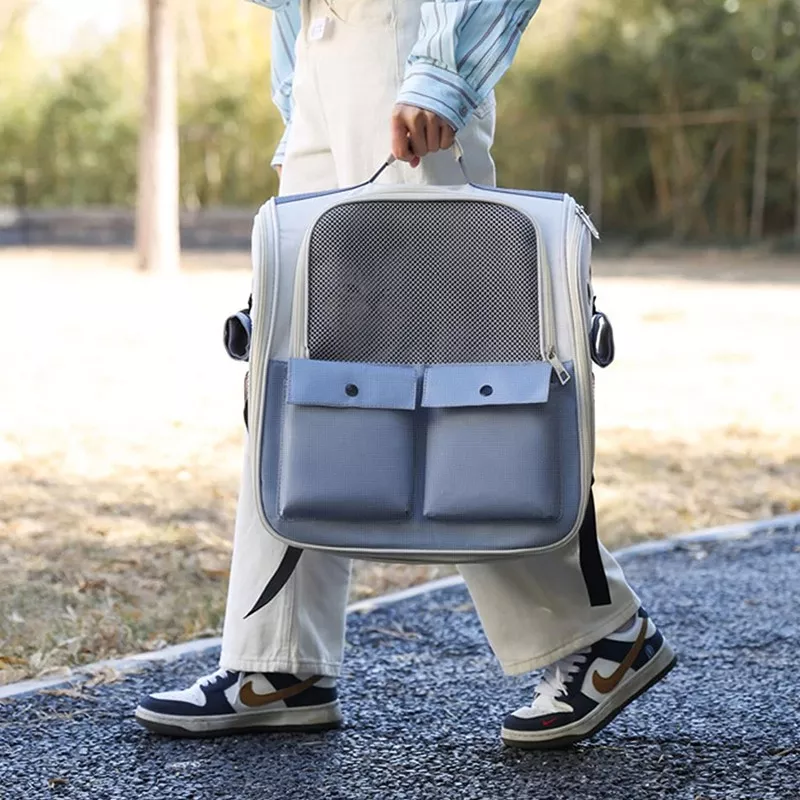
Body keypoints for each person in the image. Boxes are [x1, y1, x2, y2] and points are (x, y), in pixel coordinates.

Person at [135, 0, 676, 749]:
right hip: (323, 49)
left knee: (451, 372)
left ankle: (602, 629)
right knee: (294, 370)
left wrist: (441, 71)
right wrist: (302, 81)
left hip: (405, 46)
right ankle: (277, 659)